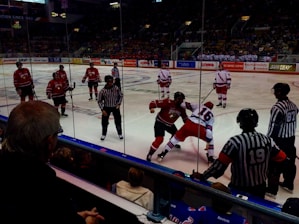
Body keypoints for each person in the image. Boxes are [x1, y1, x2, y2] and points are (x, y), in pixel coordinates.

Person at [0, 100, 105, 224]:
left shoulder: (7, 166)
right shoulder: (43, 184)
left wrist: (74, 216)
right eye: (56, 135)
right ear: (49, 142)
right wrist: (88, 222)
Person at [191, 108, 288, 199]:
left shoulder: (235, 142)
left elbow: (219, 166)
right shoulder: (267, 140)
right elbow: (282, 158)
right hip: (260, 188)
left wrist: (203, 176)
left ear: (240, 123)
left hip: (239, 188)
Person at [266, 83, 298, 198]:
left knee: (274, 165)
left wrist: (269, 141)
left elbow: (274, 126)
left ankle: (271, 191)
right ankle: (288, 184)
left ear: (279, 92)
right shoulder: (294, 106)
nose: (274, 92)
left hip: (279, 141)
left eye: (275, 91)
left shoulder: (277, 108)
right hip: (291, 140)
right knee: (290, 163)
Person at [146, 91, 191, 162]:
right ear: (175, 99)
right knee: (159, 139)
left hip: (169, 124)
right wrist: (152, 108)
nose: (181, 101)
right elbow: (153, 102)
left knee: (176, 136)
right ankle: (150, 154)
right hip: (160, 123)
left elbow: (185, 118)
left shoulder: (182, 108)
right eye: (180, 99)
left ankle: (171, 143)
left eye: (182, 99)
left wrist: (190, 122)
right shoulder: (168, 102)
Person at [97, 75, 123, 141]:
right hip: (106, 108)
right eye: (110, 81)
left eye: (112, 81)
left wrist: (119, 104)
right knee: (104, 122)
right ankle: (104, 134)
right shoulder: (103, 91)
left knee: (118, 121)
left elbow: (121, 95)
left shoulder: (116, 88)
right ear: (107, 82)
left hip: (115, 107)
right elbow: (99, 101)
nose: (111, 83)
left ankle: (120, 133)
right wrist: (102, 110)